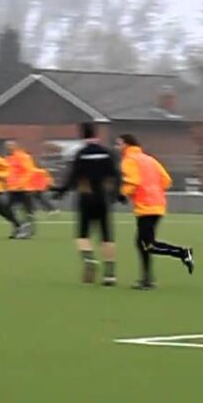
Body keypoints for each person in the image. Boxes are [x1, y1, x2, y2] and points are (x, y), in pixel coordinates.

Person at [117, 134, 193, 290]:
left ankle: (183, 253)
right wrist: (154, 191)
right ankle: (147, 280)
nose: (117, 147)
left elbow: (133, 181)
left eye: (119, 144)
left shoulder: (129, 160)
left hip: (146, 206)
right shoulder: (149, 159)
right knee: (142, 243)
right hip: (157, 204)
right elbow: (166, 181)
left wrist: (123, 194)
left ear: (126, 145)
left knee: (147, 244)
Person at [52, 122, 121, 285]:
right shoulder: (107, 153)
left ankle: (89, 259)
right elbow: (116, 176)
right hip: (103, 198)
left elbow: (72, 178)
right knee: (107, 237)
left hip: (85, 197)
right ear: (97, 134)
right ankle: (109, 275)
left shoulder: (81, 154)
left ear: (82, 135)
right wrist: (115, 194)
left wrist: (60, 191)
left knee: (82, 236)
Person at [5, 140, 37, 232]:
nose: (8, 148)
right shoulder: (8, 158)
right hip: (12, 189)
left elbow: (30, 171)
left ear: (16, 146)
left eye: (10, 145)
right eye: (7, 146)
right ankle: (18, 227)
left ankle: (28, 231)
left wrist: (22, 183)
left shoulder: (23, 157)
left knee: (27, 211)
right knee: (8, 209)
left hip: (24, 188)